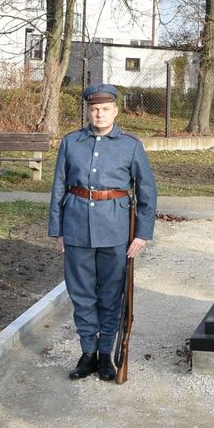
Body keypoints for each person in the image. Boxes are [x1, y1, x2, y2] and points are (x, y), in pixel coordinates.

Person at [49, 84, 157, 381]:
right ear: (87, 111)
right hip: (75, 228)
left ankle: (106, 354)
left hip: (115, 230)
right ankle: (87, 353)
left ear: (115, 111)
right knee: (82, 294)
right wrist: (57, 229)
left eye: (105, 109)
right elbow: (59, 186)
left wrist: (142, 234)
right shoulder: (71, 142)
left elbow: (147, 190)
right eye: (94, 109)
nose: (99, 114)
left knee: (111, 295)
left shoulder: (130, 145)